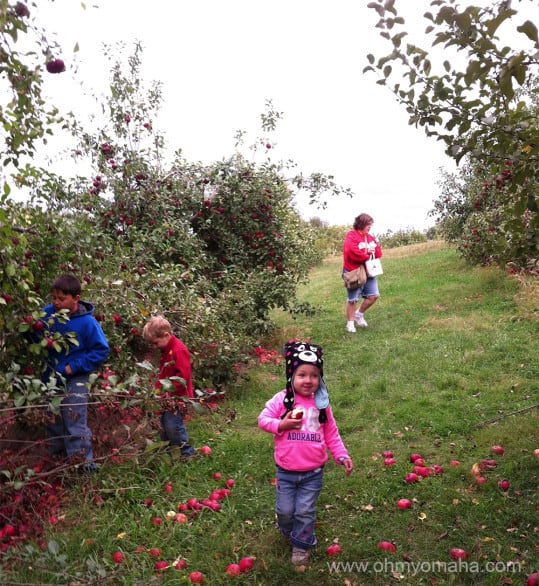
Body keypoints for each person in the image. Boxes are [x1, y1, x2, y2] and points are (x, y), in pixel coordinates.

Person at [258, 341, 353, 565]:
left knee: (304, 511)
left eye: (314, 375)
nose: (308, 380)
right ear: (291, 375)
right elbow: (262, 420)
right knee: (285, 511)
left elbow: (331, 432)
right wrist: (281, 425)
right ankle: (287, 527)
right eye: (302, 374)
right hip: (286, 471)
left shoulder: (321, 403)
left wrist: (341, 454)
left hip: (313, 471)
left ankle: (301, 544)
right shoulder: (282, 400)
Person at [41, 274, 109, 472]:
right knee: (52, 418)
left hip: (75, 377)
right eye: (53, 298)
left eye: (61, 299)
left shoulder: (87, 323)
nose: (56, 302)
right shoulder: (48, 314)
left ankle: (82, 467)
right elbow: (36, 332)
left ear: (76, 299)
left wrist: (75, 366)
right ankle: (58, 460)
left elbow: (101, 349)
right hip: (51, 375)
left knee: (74, 419)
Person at [142, 316, 196, 459]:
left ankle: (185, 452)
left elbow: (183, 378)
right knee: (165, 425)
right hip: (168, 397)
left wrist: (168, 392)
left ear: (166, 335)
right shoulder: (167, 350)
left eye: (155, 343)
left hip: (178, 397)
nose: (155, 347)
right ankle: (169, 452)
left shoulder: (178, 350)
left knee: (173, 425)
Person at [342, 212, 383, 333]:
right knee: (352, 299)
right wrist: (368, 252)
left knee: (373, 296)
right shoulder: (351, 236)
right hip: (354, 271)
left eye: (371, 224)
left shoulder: (370, 238)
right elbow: (352, 252)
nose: (370, 227)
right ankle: (350, 323)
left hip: (369, 271)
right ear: (361, 224)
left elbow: (379, 253)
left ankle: (358, 315)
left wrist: (372, 250)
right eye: (368, 224)